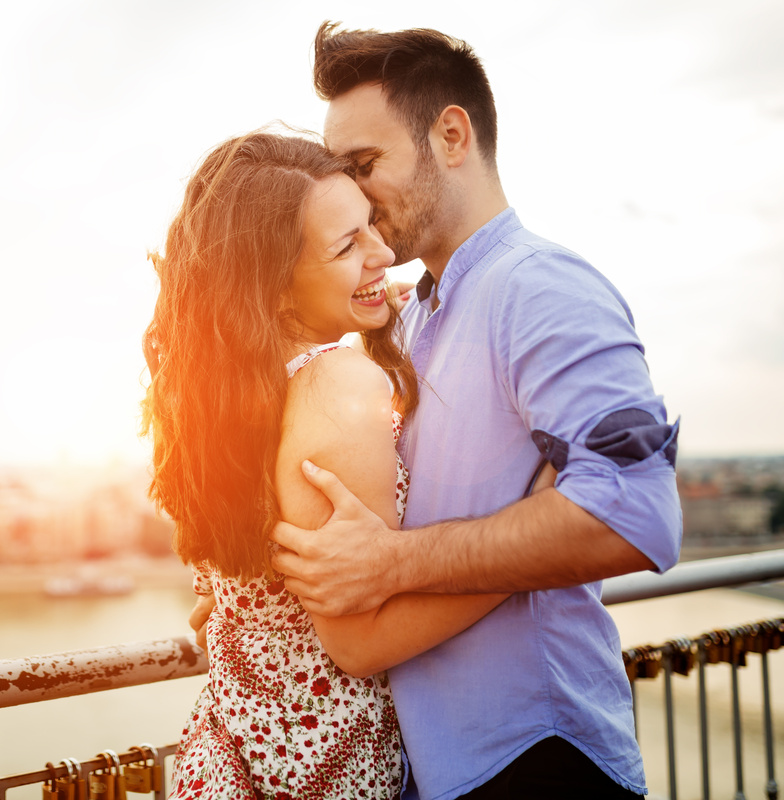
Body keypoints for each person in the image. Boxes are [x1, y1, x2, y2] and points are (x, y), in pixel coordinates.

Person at [257, 23, 683, 800]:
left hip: (539, 759)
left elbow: (638, 514)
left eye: (364, 164)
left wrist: (394, 564)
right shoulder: (409, 317)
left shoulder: (539, 287)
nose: (352, 192)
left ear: (451, 134)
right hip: (438, 769)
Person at [143, 131, 547, 800]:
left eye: (369, 228)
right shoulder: (337, 384)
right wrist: (525, 559)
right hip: (321, 771)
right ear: (271, 288)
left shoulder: (216, 398)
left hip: (230, 756)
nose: (384, 255)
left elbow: (237, 583)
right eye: (346, 246)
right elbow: (357, 645)